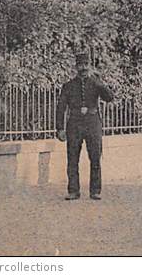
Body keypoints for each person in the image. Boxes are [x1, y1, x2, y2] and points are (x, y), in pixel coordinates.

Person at [56, 52, 114, 201]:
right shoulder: (68, 86)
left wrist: (100, 83)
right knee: (72, 158)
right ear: (76, 66)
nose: (83, 68)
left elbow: (109, 98)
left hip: (92, 123)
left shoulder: (96, 83)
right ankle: (73, 191)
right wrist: (60, 128)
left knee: (95, 157)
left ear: (89, 66)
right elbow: (61, 107)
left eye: (86, 64)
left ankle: (95, 191)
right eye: (80, 64)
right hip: (74, 124)